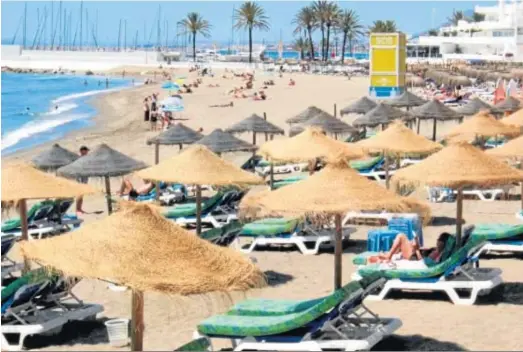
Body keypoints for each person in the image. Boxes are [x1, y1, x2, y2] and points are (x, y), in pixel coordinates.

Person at [368, 232, 451, 269]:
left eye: (439, 239)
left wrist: (416, 250)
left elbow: (422, 263)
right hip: (416, 255)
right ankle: (386, 255)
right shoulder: (438, 251)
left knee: (401, 236)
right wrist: (418, 246)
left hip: (414, 259)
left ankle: (388, 256)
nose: (437, 241)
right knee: (406, 242)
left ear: (443, 243)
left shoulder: (437, 254)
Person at [76, 146, 90, 214]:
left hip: (85, 178)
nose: (87, 152)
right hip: (80, 178)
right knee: (79, 194)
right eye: (86, 151)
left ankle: (80, 209)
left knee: (82, 194)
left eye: (87, 151)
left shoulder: (87, 159)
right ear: (82, 151)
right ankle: (78, 209)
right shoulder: (79, 159)